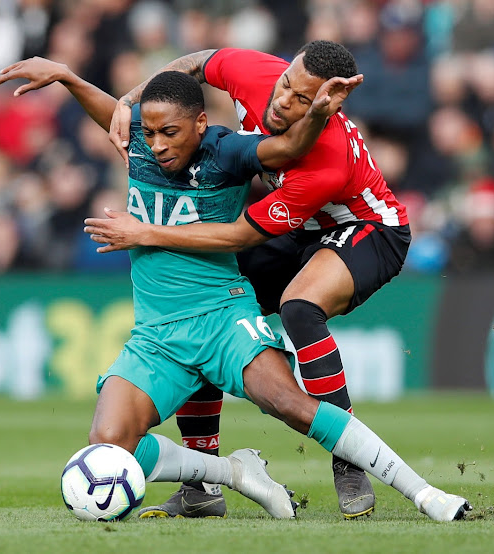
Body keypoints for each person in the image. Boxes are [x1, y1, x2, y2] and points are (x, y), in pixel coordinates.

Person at [0, 56, 470, 522]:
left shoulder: (227, 152)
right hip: (156, 336)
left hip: (224, 318)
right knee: (109, 441)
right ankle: (233, 475)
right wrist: (68, 77)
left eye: (169, 133)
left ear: (201, 124)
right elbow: (120, 112)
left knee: (292, 400)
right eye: (149, 132)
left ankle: (424, 493)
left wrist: (144, 231)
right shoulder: (143, 141)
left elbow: (282, 154)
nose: (156, 145)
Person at [86, 41, 410, 519]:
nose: (282, 100)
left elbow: (239, 234)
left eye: (302, 100)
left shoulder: (328, 159)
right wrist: (130, 100)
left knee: (300, 307)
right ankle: (203, 485)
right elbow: (192, 63)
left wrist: (146, 231)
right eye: (286, 84)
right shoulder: (253, 72)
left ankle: (347, 458)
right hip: (301, 228)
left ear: (328, 104)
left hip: (367, 228)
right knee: (208, 309)